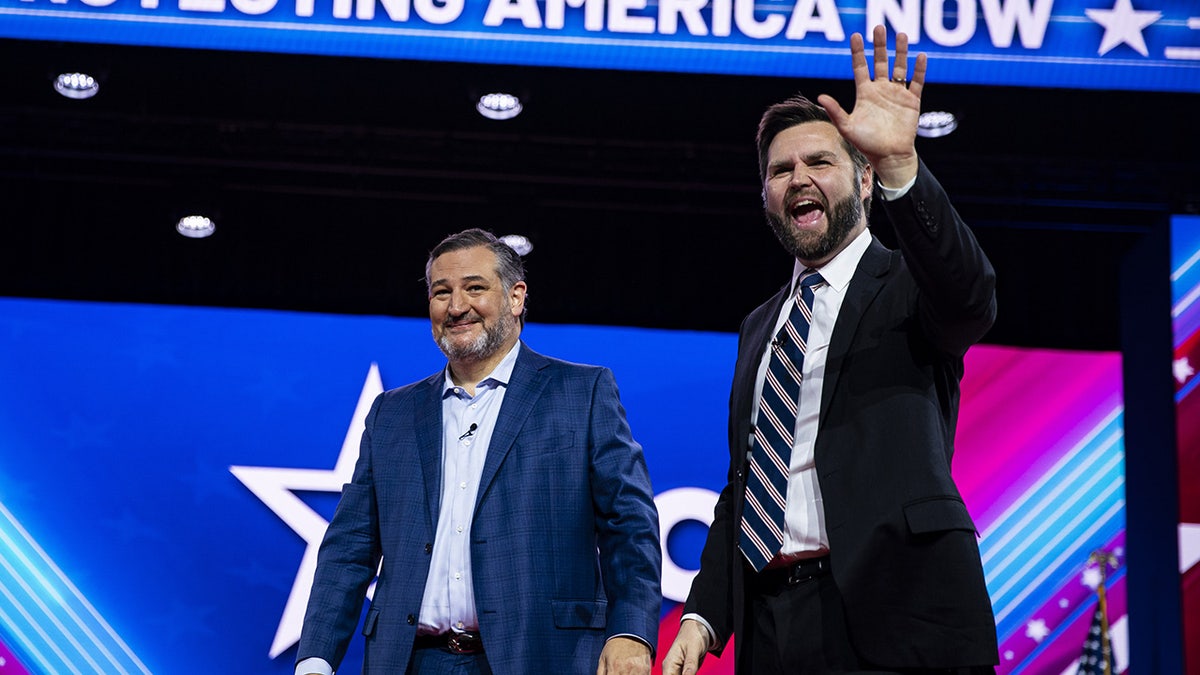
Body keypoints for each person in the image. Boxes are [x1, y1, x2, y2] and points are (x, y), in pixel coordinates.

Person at [662, 25, 999, 675]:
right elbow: (746, 487)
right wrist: (702, 620)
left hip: (899, 621)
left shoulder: (908, 283)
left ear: (864, 180)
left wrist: (905, 165)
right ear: (766, 197)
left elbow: (970, 295)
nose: (798, 178)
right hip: (772, 630)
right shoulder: (760, 325)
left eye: (819, 161)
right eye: (781, 169)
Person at [296, 228, 661, 675]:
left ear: (516, 297)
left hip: (541, 657)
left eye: (474, 288)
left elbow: (629, 525)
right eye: (441, 292)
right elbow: (349, 546)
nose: (456, 307)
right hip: (409, 662)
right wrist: (316, 659)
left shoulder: (582, 393)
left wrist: (631, 630)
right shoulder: (392, 413)